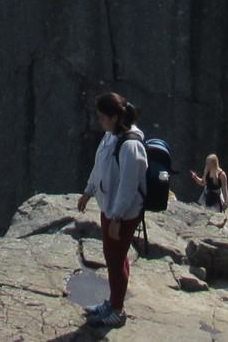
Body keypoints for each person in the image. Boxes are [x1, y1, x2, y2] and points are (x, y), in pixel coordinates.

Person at [77, 93, 148, 329]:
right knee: (113, 257)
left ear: (115, 117)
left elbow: (129, 186)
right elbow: (99, 167)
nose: (100, 121)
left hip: (123, 214)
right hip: (110, 209)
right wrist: (88, 192)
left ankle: (117, 311)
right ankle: (112, 303)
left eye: (102, 117)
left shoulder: (131, 145)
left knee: (115, 260)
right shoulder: (110, 137)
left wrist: (117, 216)